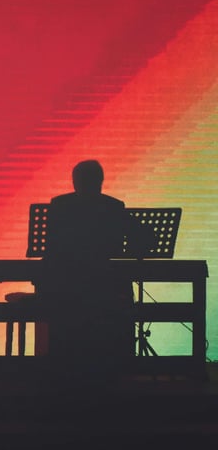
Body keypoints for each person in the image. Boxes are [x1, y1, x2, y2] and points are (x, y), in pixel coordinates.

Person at [40, 159, 153, 384]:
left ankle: (63, 367)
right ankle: (114, 365)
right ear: (100, 181)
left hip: (67, 287)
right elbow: (143, 237)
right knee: (120, 297)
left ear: (74, 182)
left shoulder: (60, 205)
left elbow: (51, 249)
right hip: (103, 284)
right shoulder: (113, 206)